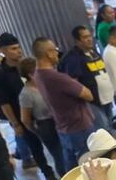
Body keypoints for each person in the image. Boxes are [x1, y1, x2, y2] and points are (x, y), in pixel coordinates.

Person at [0, 32, 59, 180]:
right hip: (21, 115)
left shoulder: (27, 65)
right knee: (35, 146)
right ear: (4, 51)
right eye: (13, 49)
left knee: (54, 144)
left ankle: (61, 168)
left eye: (19, 47)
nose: (18, 51)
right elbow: (4, 101)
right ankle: (47, 172)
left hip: (42, 113)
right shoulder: (0, 74)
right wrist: (15, 123)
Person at [32, 36, 96, 167]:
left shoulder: (38, 75)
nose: (57, 53)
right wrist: (74, 83)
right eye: (55, 50)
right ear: (48, 53)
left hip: (64, 127)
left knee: (73, 167)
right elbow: (88, 95)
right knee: (89, 166)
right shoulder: (56, 77)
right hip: (79, 127)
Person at [18, 57, 67, 178]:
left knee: (67, 150)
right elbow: (25, 119)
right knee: (58, 154)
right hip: (46, 125)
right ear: (30, 74)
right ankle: (64, 177)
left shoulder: (46, 85)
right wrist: (36, 130)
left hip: (59, 119)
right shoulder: (26, 94)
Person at [61, 26, 115, 131]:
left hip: (106, 99)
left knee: (110, 126)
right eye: (85, 37)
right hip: (92, 103)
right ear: (77, 41)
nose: (90, 39)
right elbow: (73, 83)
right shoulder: (73, 59)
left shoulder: (93, 52)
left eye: (90, 36)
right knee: (104, 130)